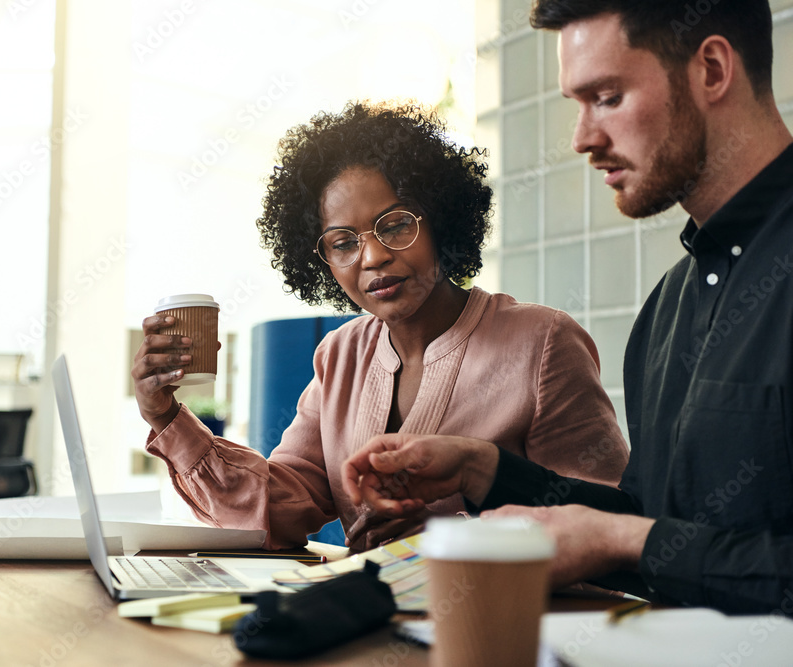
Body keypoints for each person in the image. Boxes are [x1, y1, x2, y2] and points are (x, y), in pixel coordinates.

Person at [342, 0, 793, 615]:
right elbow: (650, 525)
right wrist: (483, 468)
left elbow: (637, 538)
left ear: (712, 69)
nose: (583, 138)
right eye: (576, 105)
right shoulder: (667, 310)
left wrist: (624, 539)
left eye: (607, 97)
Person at [132, 102, 628, 551]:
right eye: (343, 242)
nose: (372, 256)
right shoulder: (339, 353)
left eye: (394, 225)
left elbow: (604, 522)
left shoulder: (543, 343)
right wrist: (166, 417)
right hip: (371, 626)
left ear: (441, 220)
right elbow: (277, 509)